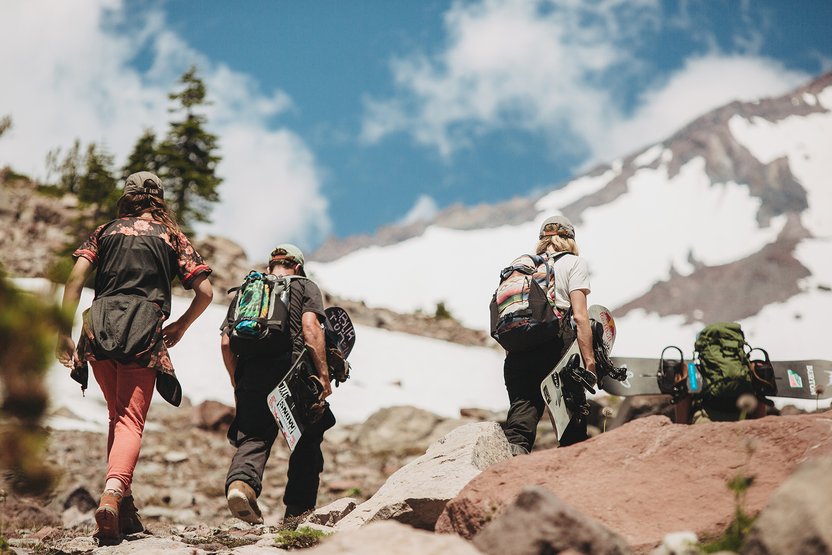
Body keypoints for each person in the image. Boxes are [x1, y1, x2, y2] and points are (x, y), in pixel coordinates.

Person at [56, 171, 213, 544]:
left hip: (99, 327)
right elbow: (205, 290)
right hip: (143, 328)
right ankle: (112, 495)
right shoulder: (171, 237)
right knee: (129, 421)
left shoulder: (105, 231)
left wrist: (63, 329)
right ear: (159, 198)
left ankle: (124, 507)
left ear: (126, 198)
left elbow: (76, 279)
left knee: (116, 416)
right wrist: (181, 326)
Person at [221, 243, 335, 528]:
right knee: (307, 441)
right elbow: (311, 328)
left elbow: (226, 342)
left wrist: (238, 378)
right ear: (297, 265)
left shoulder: (249, 289)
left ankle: (240, 487)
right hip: (292, 375)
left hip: (250, 374)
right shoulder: (305, 286)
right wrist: (322, 376)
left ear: (272, 264)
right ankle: (297, 515)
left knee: (254, 438)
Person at [502, 215, 595, 454]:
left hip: (519, 348)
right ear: (570, 239)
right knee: (570, 420)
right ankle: (572, 478)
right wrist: (590, 362)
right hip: (557, 345)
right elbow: (580, 316)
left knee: (520, 421)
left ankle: (507, 477)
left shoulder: (523, 268)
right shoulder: (574, 263)